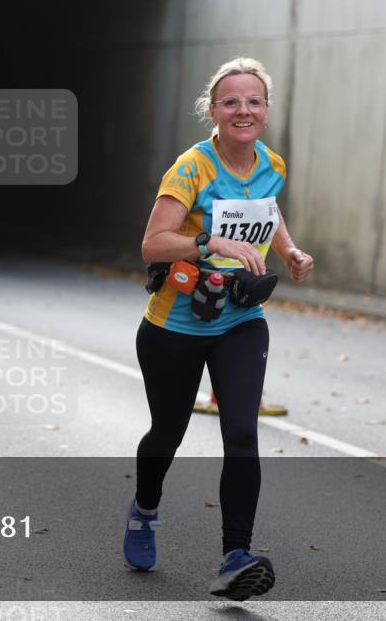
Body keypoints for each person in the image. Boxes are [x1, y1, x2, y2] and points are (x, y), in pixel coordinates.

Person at [123, 58, 314, 600]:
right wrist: (209, 242)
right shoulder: (191, 167)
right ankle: (144, 509)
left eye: (253, 101)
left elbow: (267, 211)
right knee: (168, 432)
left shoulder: (271, 163)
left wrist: (290, 251)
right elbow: (152, 244)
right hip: (175, 324)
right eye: (231, 102)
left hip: (240, 319)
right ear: (214, 110)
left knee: (241, 432)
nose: (243, 111)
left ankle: (236, 555)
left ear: (266, 110)